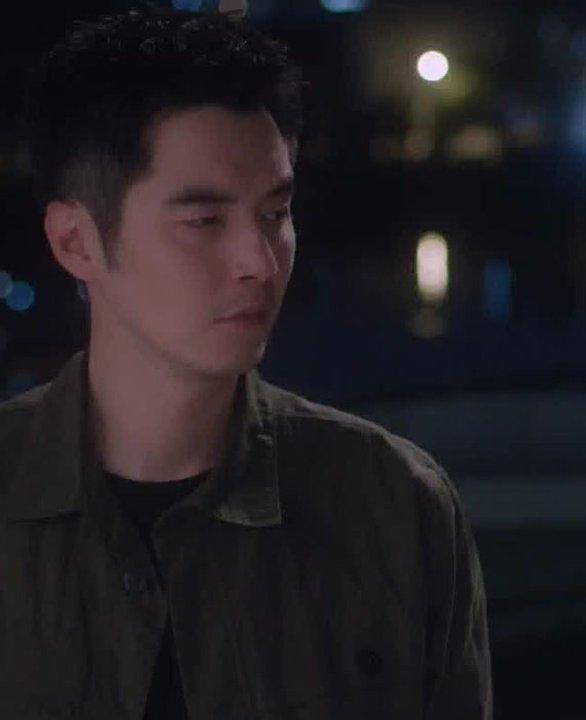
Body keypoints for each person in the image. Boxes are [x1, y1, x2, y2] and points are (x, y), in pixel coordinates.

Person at [0, 8, 490, 719]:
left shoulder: (394, 506)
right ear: (75, 241)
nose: (259, 262)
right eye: (204, 221)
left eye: (274, 213)